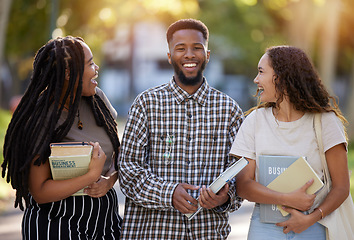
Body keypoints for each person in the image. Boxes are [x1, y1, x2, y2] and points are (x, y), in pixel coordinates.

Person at [118, 18, 244, 239]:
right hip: (152, 233)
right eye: (180, 48)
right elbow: (128, 170)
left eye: (197, 48)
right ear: (169, 57)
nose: (189, 55)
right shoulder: (146, 104)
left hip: (208, 233)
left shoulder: (230, 111)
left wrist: (225, 197)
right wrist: (169, 193)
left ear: (207, 55)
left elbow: (240, 175)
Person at [1, 36, 122, 239]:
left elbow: (117, 152)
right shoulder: (42, 117)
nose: (96, 67)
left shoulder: (97, 100)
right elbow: (39, 192)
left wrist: (109, 180)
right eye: (91, 63)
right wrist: (90, 177)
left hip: (104, 219)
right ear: (69, 73)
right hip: (57, 223)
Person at [230, 45, 349, 239]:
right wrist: (285, 198)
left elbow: (342, 186)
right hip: (265, 225)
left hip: (314, 224)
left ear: (282, 77)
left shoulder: (325, 122)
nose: (256, 79)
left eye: (261, 72)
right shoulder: (254, 121)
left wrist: (310, 219)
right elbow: (243, 185)